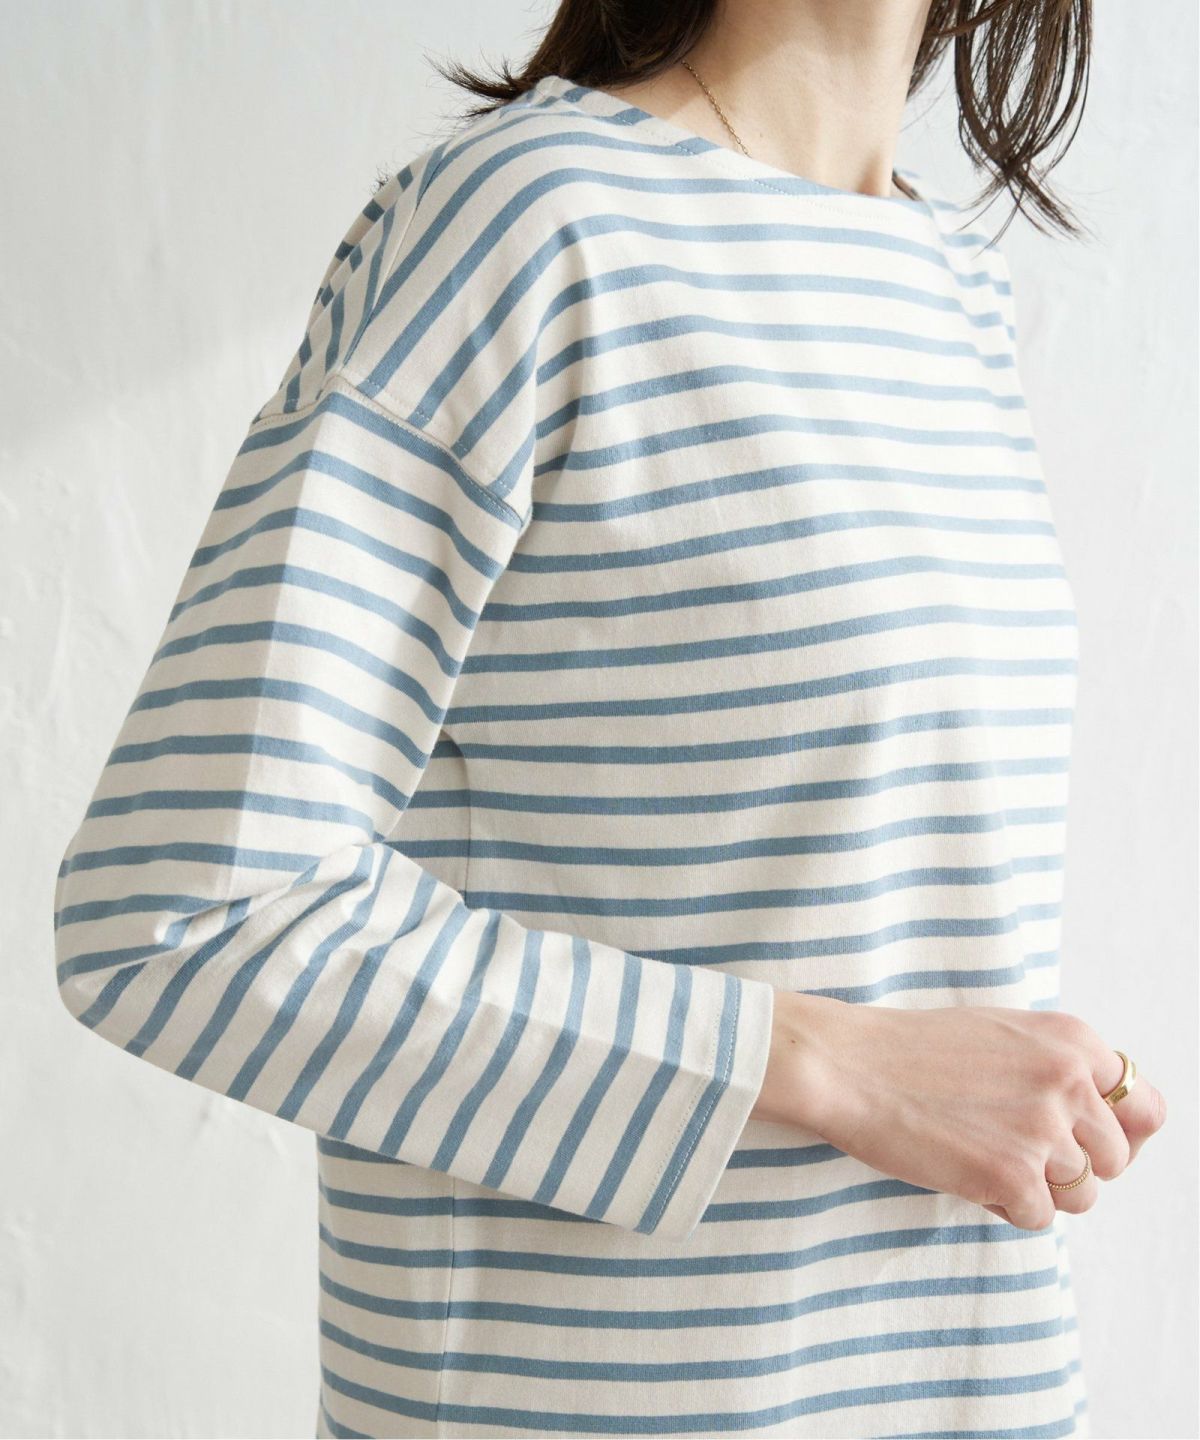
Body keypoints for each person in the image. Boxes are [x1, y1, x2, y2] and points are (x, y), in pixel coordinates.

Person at [52, 1, 1167, 1436]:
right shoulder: (524, 222)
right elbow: (184, 911)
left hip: (969, 1388)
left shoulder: (948, 276)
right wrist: (822, 1064)